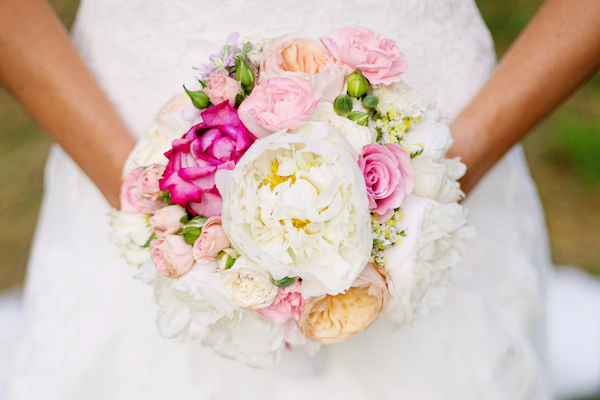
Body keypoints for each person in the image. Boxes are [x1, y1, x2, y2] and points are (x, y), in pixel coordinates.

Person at [0, 0, 599, 398]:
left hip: (443, 149)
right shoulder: (156, 201)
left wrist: (443, 173)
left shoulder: (436, 175)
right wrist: (150, 199)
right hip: (126, 146)